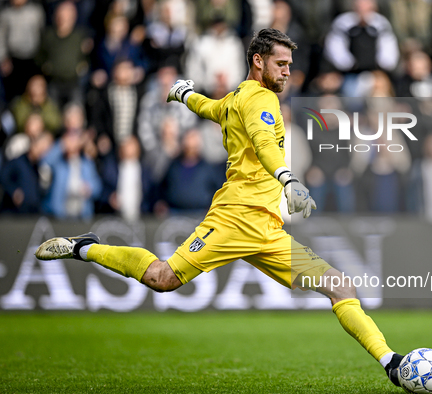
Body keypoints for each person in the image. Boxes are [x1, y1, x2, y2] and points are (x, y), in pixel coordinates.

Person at [34, 28, 407, 389]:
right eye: (281, 63)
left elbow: (211, 107)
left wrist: (184, 95)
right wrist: (288, 180)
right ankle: (86, 247)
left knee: (340, 286)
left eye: (290, 64)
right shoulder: (260, 100)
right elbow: (264, 144)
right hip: (231, 220)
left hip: (267, 229)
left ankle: (390, 363)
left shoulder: (236, 99)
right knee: (163, 279)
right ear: (258, 62)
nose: (288, 71)